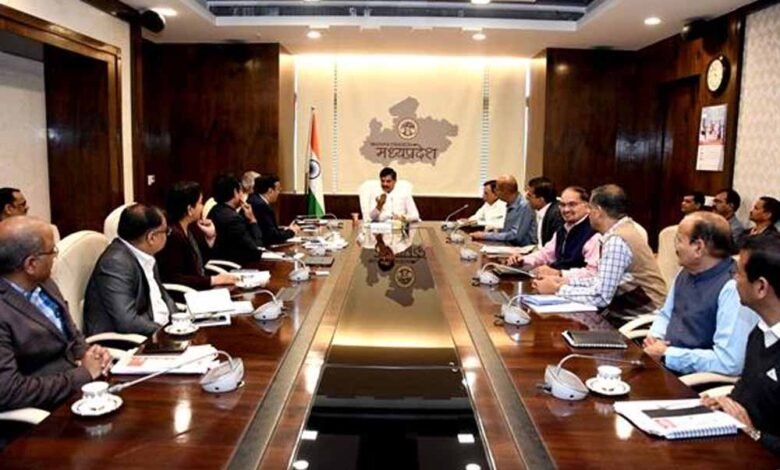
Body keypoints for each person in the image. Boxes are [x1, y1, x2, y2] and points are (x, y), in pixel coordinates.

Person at [0, 216, 112, 411]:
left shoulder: (45, 284)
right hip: (43, 413)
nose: (55, 257)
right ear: (31, 264)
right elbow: (8, 391)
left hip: (80, 393)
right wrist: (83, 374)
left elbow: (71, 335)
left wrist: (89, 353)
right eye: (52, 251)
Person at [533, 184, 666, 326]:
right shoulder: (622, 230)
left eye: (590, 208)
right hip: (625, 314)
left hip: (641, 321)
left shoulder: (617, 240)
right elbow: (600, 281)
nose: (588, 213)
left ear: (598, 211)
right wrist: (564, 281)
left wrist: (557, 289)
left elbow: (601, 296)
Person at [644, 212, 756, 375]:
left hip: (695, 380)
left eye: (678, 240)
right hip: (662, 362)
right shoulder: (686, 272)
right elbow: (666, 315)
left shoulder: (734, 288)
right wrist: (655, 338)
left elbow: (729, 361)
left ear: (698, 247)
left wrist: (669, 354)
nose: (676, 247)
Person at [702, 234, 780, 454]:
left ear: (761, 287)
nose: (733, 279)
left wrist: (754, 434)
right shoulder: (759, 332)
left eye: (738, 273)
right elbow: (747, 393)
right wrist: (723, 403)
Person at [83, 204, 177, 336]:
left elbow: (163, 296)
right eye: (166, 231)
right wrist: (167, 333)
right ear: (151, 237)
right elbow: (128, 322)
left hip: (160, 330)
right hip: (131, 341)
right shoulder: (116, 263)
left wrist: (179, 321)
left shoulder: (145, 254)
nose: (167, 235)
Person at [157, 181, 238, 290]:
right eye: (200, 203)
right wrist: (213, 280)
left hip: (198, 287)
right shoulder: (173, 235)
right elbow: (175, 278)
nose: (202, 207)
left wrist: (210, 237)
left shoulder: (189, 229)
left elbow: (201, 264)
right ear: (190, 209)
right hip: (187, 294)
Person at [507, 186, 599, 279]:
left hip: (573, 285)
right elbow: (546, 254)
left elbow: (592, 273)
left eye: (572, 204)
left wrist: (559, 273)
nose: (566, 210)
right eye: (562, 205)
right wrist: (523, 260)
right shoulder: (563, 229)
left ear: (587, 207)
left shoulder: (593, 233)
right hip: (555, 281)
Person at [208, 174, 264, 264]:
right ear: (235, 192)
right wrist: (252, 220)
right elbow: (256, 250)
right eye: (241, 190)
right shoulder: (234, 219)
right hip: (236, 266)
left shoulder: (214, 210)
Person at [471, 175, 537, 247]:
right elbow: (508, 231)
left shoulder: (524, 206)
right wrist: (496, 231)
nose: (495, 192)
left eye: (497, 189)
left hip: (523, 248)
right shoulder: (510, 204)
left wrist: (486, 236)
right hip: (510, 246)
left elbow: (515, 236)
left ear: (505, 191)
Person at [248, 174, 300, 246]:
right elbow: (272, 236)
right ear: (270, 191)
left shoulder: (255, 200)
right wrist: (291, 232)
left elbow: (269, 229)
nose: (279, 192)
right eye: (278, 189)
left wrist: (286, 230)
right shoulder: (261, 206)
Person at [526, 176, 564, 246]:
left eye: (529, 195)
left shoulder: (556, 215)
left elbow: (553, 246)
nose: (526, 197)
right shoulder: (544, 211)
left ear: (541, 199)